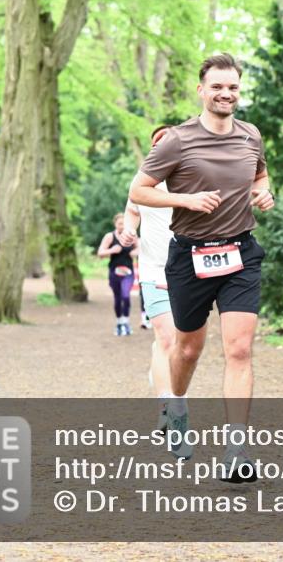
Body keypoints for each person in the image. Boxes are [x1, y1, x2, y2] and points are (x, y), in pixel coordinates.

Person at [129, 53, 274, 482]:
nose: (225, 94)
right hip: (189, 256)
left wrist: (264, 194)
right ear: (202, 90)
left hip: (240, 255)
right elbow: (139, 190)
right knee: (188, 349)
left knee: (239, 349)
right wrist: (184, 200)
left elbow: (260, 176)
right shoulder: (177, 140)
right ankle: (175, 404)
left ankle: (236, 449)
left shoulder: (251, 136)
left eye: (232, 87)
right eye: (217, 87)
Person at [120, 125, 178, 432]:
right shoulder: (143, 181)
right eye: (157, 143)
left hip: (190, 271)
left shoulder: (192, 178)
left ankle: (164, 381)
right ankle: (166, 406)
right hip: (155, 269)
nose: (164, 147)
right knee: (165, 337)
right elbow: (132, 210)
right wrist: (129, 228)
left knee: (182, 344)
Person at [97, 213, 139, 336]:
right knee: (118, 297)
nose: (122, 226)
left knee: (126, 296)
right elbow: (100, 253)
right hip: (114, 272)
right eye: (119, 223)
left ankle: (126, 322)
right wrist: (112, 250)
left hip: (128, 272)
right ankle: (119, 323)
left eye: (124, 223)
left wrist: (134, 252)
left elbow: (139, 248)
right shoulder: (110, 237)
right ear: (115, 224)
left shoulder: (132, 236)